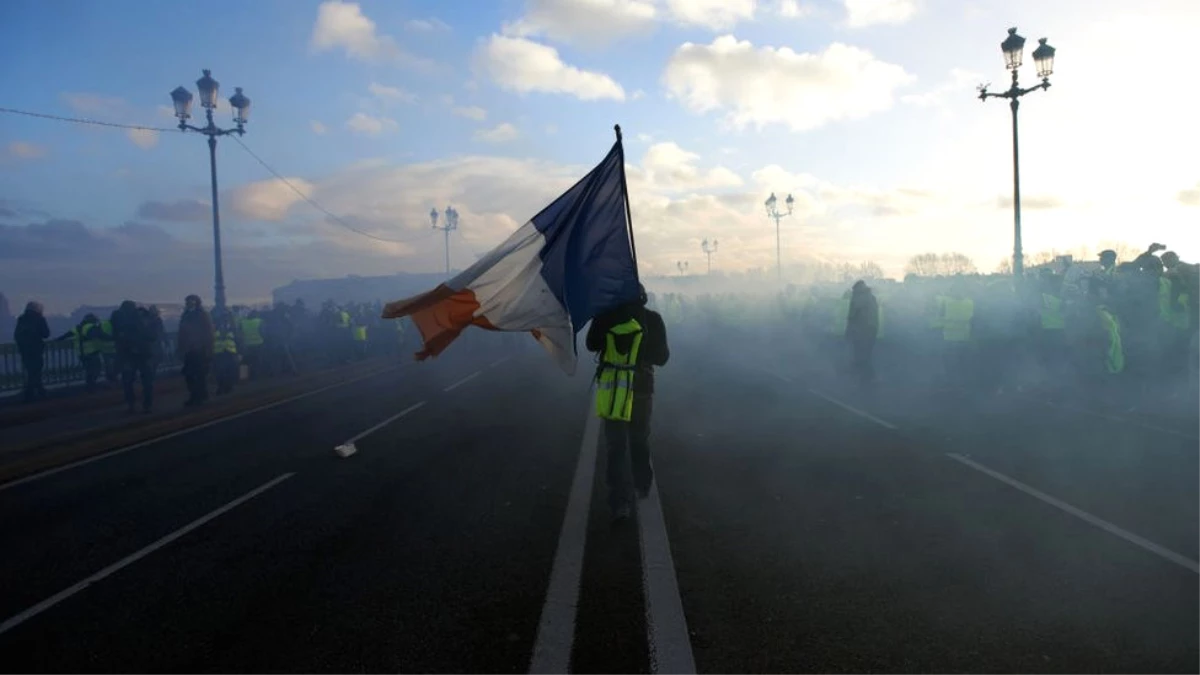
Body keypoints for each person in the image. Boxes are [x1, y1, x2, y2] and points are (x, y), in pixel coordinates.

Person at [586, 284, 670, 522]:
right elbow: (662, 357)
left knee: (615, 446)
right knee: (639, 439)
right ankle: (642, 484)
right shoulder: (652, 319)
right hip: (641, 389)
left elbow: (591, 345)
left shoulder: (605, 317)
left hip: (613, 391)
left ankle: (619, 502)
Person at [111, 300, 159, 413]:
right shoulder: (142, 318)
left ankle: (131, 405)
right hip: (143, 354)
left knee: (127, 381)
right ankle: (147, 404)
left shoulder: (118, 318)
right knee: (147, 380)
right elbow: (152, 336)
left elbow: (116, 336)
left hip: (127, 355)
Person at [178, 294, 215, 406]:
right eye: (188, 302)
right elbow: (181, 334)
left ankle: (198, 396)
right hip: (189, 350)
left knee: (199, 375)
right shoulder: (186, 315)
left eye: (191, 302)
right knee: (190, 375)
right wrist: (180, 348)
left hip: (200, 350)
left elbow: (209, 333)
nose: (189, 304)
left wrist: (208, 350)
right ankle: (198, 395)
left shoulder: (203, 315)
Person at [13, 301, 50, 403]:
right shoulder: (39, 319)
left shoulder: (21, 319)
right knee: (36, 371)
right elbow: (46, 334)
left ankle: (37, 392)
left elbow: (16, 335)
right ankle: (32, 393)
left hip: (24, 351)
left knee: (31, 371)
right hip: (36, 350)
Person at [845, 280, 880, 387]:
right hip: (872, 330)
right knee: (867, 354)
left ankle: (865, 378)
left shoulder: (857, 299)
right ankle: (867, 377)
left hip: (860, 330)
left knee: (860, 354)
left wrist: (848, 331)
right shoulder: (872, 297)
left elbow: (852, 316)